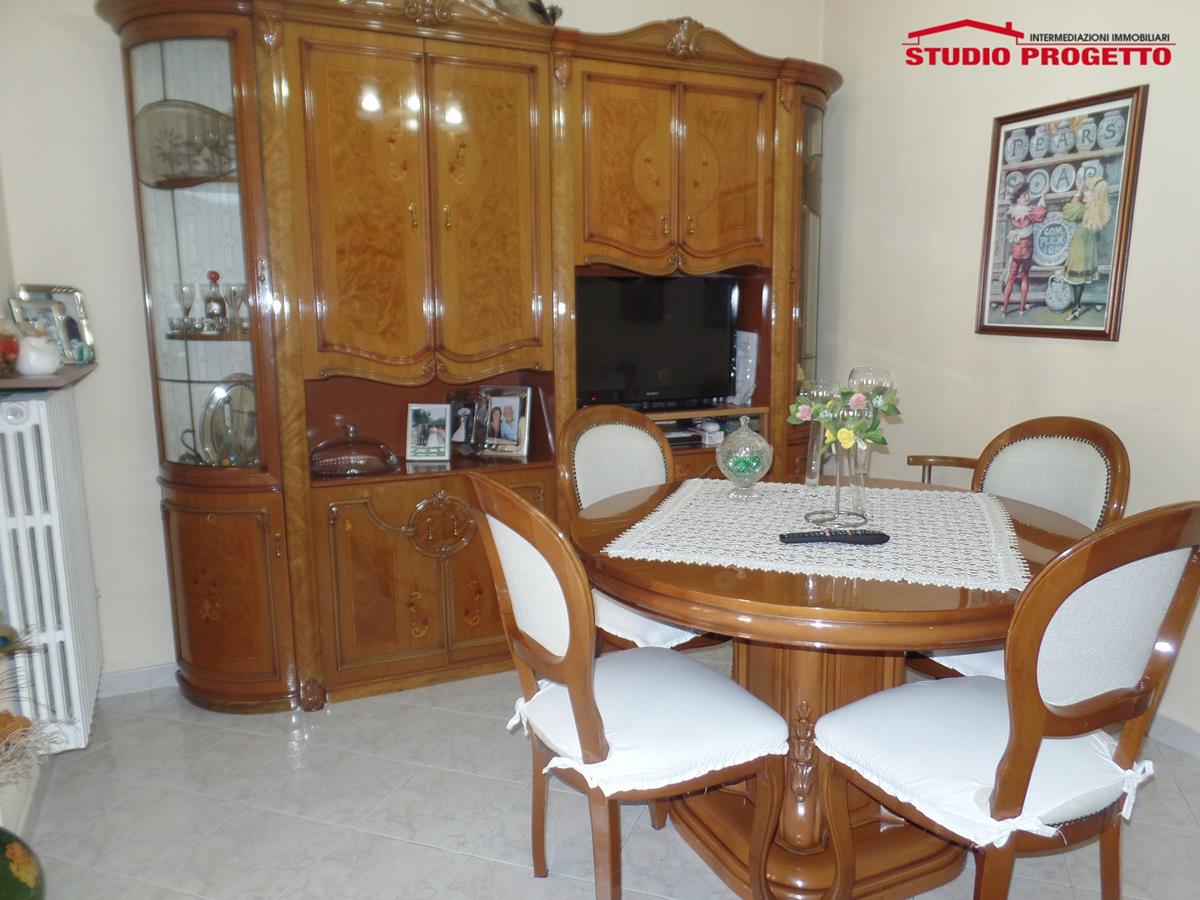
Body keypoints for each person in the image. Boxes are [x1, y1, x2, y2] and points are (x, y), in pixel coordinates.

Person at [1061, 175, 1111, 322]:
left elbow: (1069, 211)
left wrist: (1078, 192)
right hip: (1085, 248)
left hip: (1081, 248)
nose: (1085, 194)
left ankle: (1075, 308)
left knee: (1075, 280)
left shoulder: (1086, 209)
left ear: (1096, 196)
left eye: (1089, 192)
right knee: (1078, 280)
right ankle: (1077, 306)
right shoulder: (1097, 210)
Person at [1000, 181, 1048, 317]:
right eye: (1023, 195)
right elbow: (1041, 212)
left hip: (1016, 250)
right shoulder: (1029, 211)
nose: (1027, 197)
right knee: (1025, 277)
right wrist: (1043, 195)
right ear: (1017, 199)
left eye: (1027, 194)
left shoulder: (1013, 212)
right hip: (1027, 251)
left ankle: (1004, 310)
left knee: (1011, 278)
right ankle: (1021, 309)